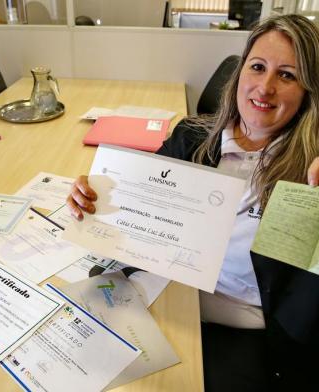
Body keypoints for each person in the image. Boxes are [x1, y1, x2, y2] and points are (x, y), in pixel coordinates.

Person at [67, 14, 319, 392]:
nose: (265, 87)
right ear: (240, 74)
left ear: (308, 92)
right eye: (257, 67)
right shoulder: (191, 136)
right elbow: (137, 210)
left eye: (287, 75)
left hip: (235, 331)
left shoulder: (308, 178)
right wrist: (96, 200)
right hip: (160, 300)